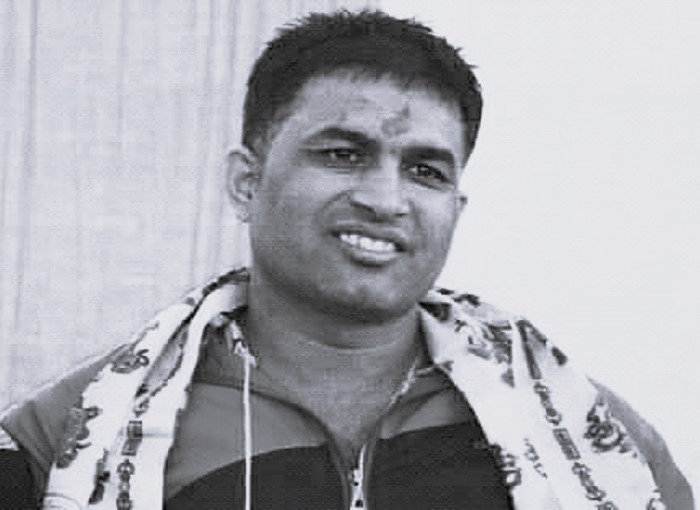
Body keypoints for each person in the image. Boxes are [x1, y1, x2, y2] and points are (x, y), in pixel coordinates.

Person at [0, 9, 693, 510]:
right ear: (245, 183)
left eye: (425, 171)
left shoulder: (585, 433)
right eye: (342, 154)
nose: (386, 200)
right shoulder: (64, 437)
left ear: (456, 207)